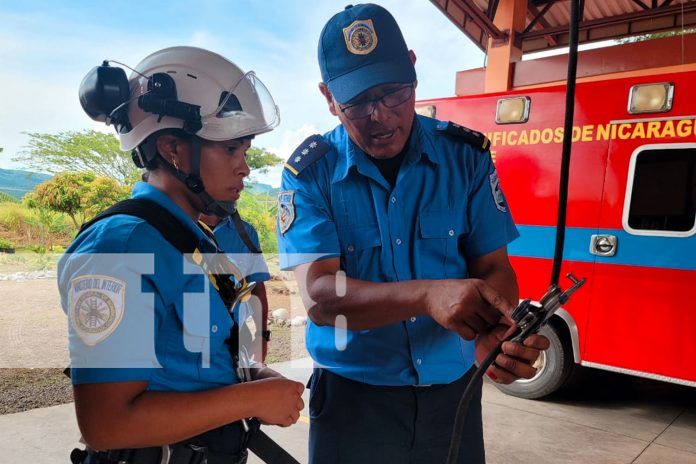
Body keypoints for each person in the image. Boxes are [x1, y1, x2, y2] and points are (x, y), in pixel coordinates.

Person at [277, 4, 550, 463]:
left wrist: (493, 331)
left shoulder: (466, 158)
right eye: (358, 101)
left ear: (415, 72)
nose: (379, 115)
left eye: (393, 93)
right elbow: (321, 298)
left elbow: (493, 267)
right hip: (353, 403)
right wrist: (427, 295)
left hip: (453, 395)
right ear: (328, 97)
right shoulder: (310, 174)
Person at [59, 46, 304, 464]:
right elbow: (107, 424)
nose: (245, 167)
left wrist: (250, 376)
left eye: (243, 150)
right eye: (231, 150)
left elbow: (200, 355)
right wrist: (250, 399)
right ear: (174, 148)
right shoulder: (121, 247)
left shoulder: (194, 240)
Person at [206, 212, 273, 362]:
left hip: (235, 340)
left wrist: (261, 335)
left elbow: (256, 287)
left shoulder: (245, 233)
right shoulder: (171, 228)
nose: (241, 187)